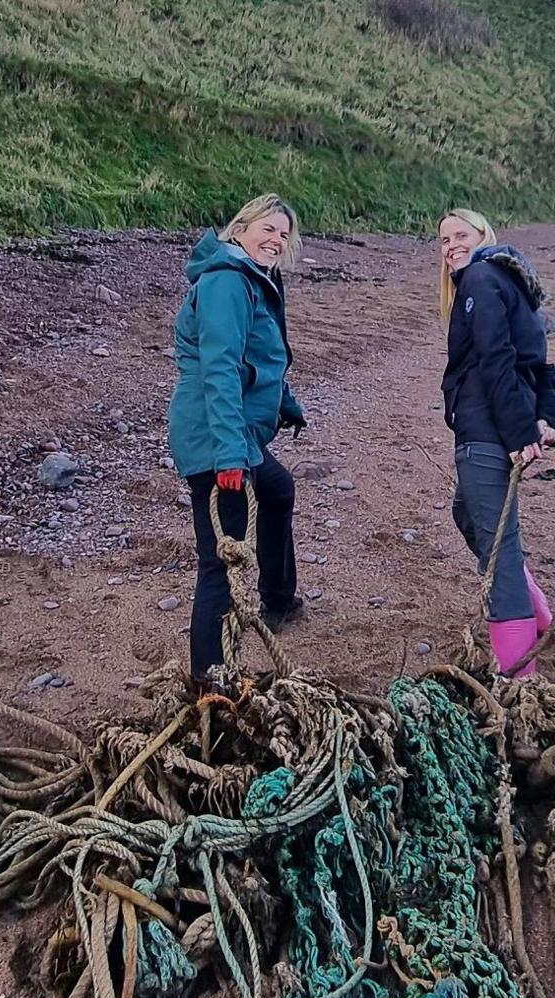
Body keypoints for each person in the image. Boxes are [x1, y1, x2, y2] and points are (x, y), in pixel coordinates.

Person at [167, 194, 309, 677]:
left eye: (283, 234)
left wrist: (286, 405)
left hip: (237, 432)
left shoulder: (255, 278)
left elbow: (261, 355)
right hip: (216, 437)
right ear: (241, 228)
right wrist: (229, 455)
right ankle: (210, 684)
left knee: (277, 489)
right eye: (267, 229)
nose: (276, 240)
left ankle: (278, 600)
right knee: (220, 563)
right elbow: (221, 369)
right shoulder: (228, 281)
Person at [437, 208, 555, 677]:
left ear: (484, 236)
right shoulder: (513, 282)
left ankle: (520, 684)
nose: (450, 245)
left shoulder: (482, 278)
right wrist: (544, 418)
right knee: (467, 514)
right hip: (498, 427)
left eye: (460, 235)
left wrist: (518, 433)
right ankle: (539, 614)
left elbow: (497, 358)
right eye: (443, 239)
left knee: (500, 553)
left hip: (488, 432)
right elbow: (541, 366)